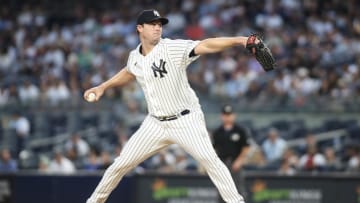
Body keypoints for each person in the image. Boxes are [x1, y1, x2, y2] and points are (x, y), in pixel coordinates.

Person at [84, 9, 259, 203]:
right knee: (120, 164)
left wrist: (240, 40)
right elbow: (129, 71)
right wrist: (103, 86)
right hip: (155, 124)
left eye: (160, 24)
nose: (158, 27)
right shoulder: (135, 56)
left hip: (185, 120)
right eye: (152, 24)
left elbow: (205, 44)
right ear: (140, 29)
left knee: (211, 162)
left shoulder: (171, 49)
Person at [212, 104, 251, 201]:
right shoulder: (217, 132)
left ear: (234, 115)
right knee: (222, 190)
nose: (227, 117)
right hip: (222, 164)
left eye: (229, 114)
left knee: (238, 189)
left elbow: (246, 147)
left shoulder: (240, 130)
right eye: (225, 115)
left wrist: (240, 161)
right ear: (221, 116)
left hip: (235, 163)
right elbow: (214, 149)